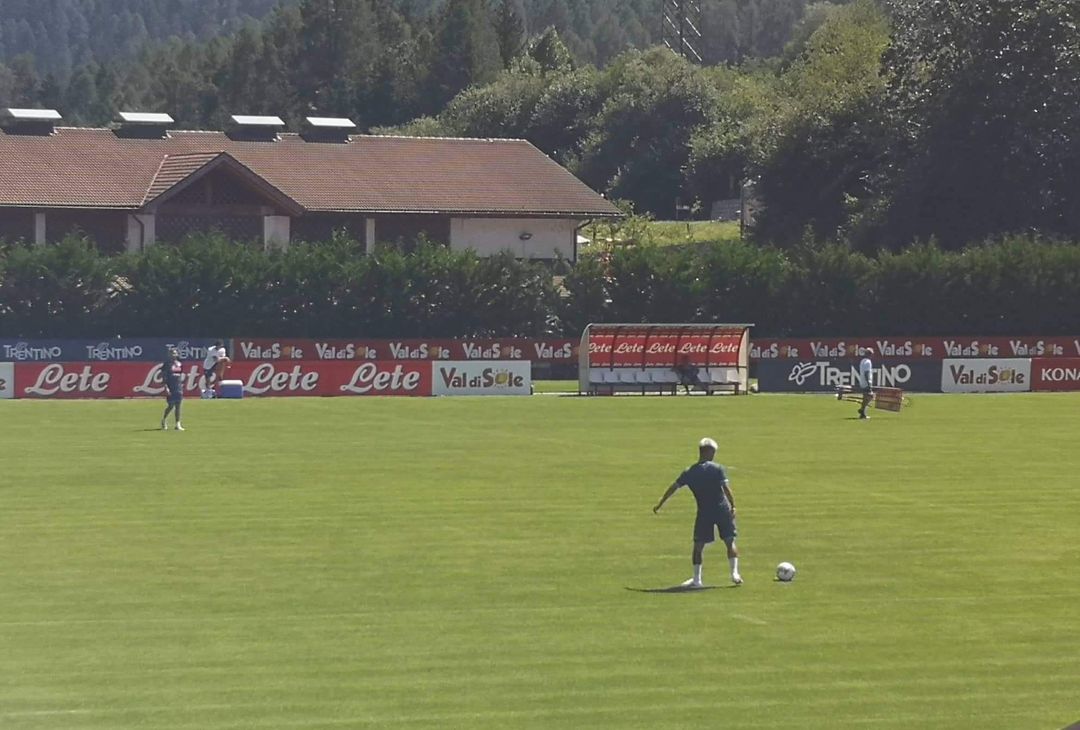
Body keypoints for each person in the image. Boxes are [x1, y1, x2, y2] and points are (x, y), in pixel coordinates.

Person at [653, 437, 741, 587]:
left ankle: (697, 580)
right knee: (729, 540)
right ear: (708, 452)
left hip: (704, 512)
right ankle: (734, 573)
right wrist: (733, 506)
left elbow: (673, 487)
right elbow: (726, 489)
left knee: (698, 546)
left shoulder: (690, 472)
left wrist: (660, 503)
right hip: (722, 509)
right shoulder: (717, 469)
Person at [161, 347, 185, 431]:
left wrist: (182, 384)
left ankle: (177, 424)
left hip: (178, 387)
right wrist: (166, 387)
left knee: (178, 406)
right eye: (172, 353)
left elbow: (181, 375)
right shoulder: (166, 364)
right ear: (169, 354)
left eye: (175, 353)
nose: (173, 355)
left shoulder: (179, 363)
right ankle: (164, 420)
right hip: (171, 387)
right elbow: (164, 376)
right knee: (171, 406)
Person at [857, 347, 874, 420]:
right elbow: (866, 373)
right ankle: (862, 409)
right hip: (866, 383)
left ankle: (862, 414)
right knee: (870, 396)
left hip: (862, 382)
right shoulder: (868, 362)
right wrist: (869, 383)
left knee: (865, 397)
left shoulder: (862, 361)